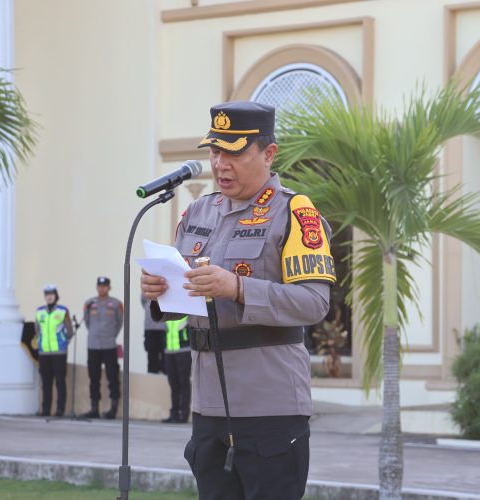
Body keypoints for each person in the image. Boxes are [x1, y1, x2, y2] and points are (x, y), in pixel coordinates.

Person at [141, 101, 335, 499]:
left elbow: (314, 302)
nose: (220, 164)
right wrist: (160, 293)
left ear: (268, 153)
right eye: (214, 151)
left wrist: (238, 288)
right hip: (208, 404)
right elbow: (187, 299)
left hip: (270, 404)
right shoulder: (198, 212)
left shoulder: (294, 213)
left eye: (233, 153)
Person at [81, 276, 123, 419]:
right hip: (93, 345)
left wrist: (110, 335)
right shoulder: (89, 303)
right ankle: (94, 409)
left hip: (109, 345)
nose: (102, 288)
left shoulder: (116, 304)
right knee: (94, 377)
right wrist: (96, 334)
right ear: (96, 287)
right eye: (100, 286)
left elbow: (119, 322)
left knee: (112, 376)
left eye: (104, 286)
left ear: (109, 288)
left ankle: (113, 409)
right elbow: (87, 322)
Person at [34, 284, 74, 417]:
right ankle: (46, 409)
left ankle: (60, 410)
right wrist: (41, 342)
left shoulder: (63, 311)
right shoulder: (39, 311)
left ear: (56, 296)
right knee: (46, 383)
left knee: (60, 382)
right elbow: (37, 330)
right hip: (44, 353)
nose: (49, 297)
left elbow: (69, 331)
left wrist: (63, 342)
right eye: (47, 294)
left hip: (59, 353)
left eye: (51, 294)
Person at [163, 316, 191, 424]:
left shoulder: (187, 313)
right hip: (169, 351)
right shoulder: (167, 314)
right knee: (173, 384)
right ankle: (174, 414)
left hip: (184, 351)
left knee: (183, 383)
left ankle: (183, 414)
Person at [142, 295, 166, 373]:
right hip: (150, 328)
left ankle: (165, 378)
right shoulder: (146, 290)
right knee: (152, 357)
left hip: (164, 328)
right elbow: (143, 301)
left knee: (165, 358)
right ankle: (152, 378)